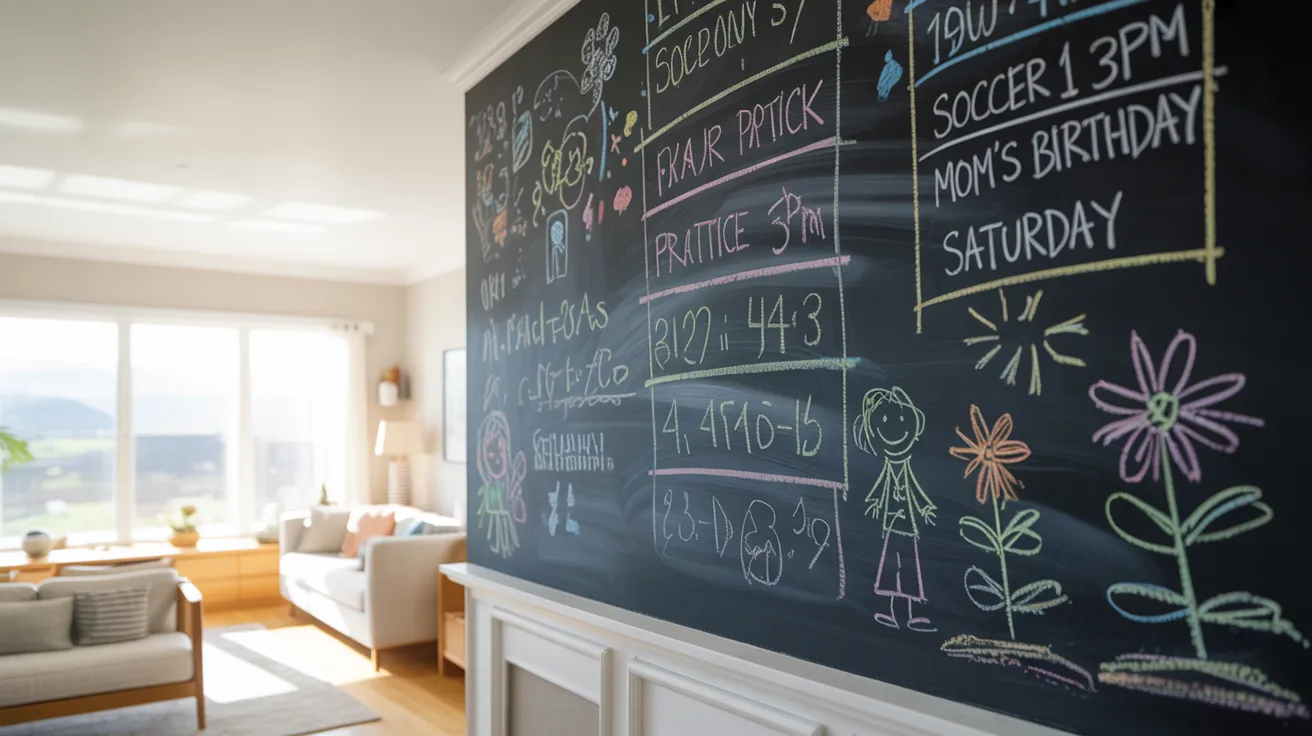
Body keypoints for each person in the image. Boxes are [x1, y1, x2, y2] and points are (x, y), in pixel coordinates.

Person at [853, 387, 937, 631]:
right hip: (892, 525)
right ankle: (888, 611)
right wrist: (875, 501)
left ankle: (914, 614)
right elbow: (881, 487)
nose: (894, 428)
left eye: (901, 419)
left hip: (907, 527)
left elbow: (914, 491)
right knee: (890, 569)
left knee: (909, 569)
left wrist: (925, 508)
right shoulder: (889, 467)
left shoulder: (905, 466)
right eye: (886, 421)